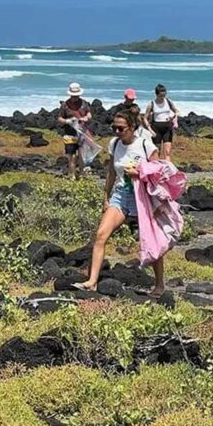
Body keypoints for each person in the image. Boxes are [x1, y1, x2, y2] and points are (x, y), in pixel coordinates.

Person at [73, 109, 166, 298]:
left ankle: (159, 285)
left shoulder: (145, 145)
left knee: (151, 241)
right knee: (101, 235)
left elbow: (159, 173)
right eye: (114, 127)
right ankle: (92, 281)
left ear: (132, 127)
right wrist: (105, 196)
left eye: (121, 128)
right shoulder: (114, 144)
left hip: (143, 197)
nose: (116, 131)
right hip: (121, 195)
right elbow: (111, 172)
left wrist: (139, 173)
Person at [57, 82, 92, 180]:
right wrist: (67, 121)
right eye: (73, 96)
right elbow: (59, 118)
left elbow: (89, 114)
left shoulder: (84, 103)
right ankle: (72, 175)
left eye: (76, 96)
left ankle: (81, 175)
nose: (75, 97)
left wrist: (86, 118)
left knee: (81, 156)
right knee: (71, 156)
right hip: (69, 134)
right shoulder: (65, 105)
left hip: (82, 133)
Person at [144, 84, 179, 161]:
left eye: (164, 95)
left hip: (167, 127)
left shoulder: (168, 101)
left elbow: (176, 111)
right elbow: (145, 118)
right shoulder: (151, 104)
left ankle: (168, 167)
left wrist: (174, 117)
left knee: (167, 152)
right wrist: (150, 129)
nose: (162, 97)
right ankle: (156, 167)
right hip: (156, 129)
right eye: (161, 96)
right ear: (156, 94)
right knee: (157, 152)